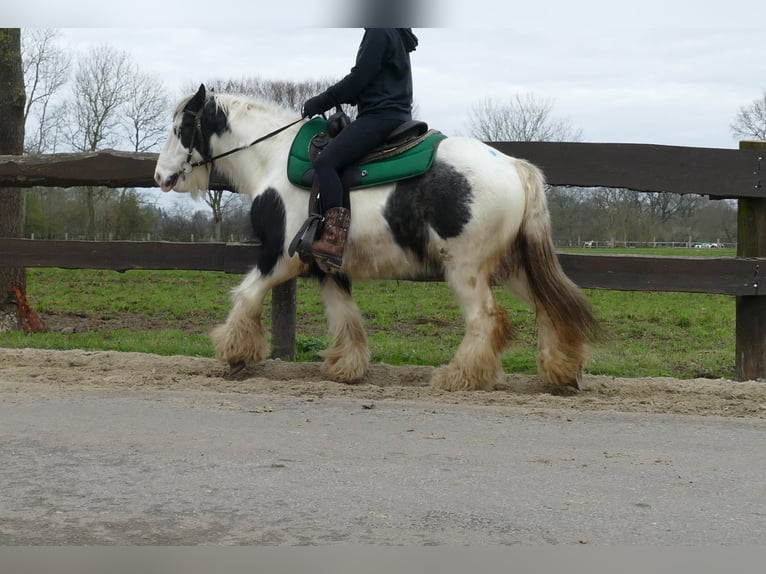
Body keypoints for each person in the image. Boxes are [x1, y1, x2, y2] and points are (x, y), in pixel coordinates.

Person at [301, 28, 419, 270]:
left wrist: (321, 101)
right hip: (394, 113)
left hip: (380, 117)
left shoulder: (379, 30)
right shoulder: (393, 30)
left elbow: (359, 77)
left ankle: (333, 239)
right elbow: (378, 79)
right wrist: (353, 97)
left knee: (326, 162)